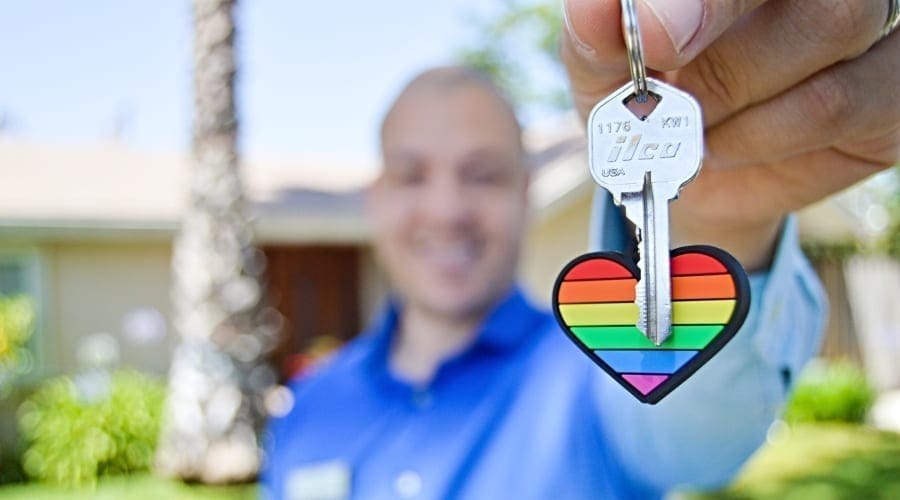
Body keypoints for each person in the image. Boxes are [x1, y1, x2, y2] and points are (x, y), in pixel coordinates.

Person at [263, 1, 900, 498]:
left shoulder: (597, 366)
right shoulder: (310, 409)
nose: (447, 209)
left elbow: (701, 444)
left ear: (525, 193)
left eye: (482, 174)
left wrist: (720, 217)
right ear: (376, 198)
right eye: (412, 174)